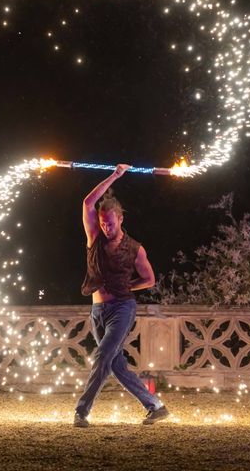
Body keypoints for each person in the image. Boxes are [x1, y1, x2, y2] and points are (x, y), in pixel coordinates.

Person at [73, 164, 169, 427]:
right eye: (103, 223)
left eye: (110, 223)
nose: (106, 228)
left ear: (121, 219)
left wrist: (127, 287)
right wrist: (115, 175)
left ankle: (81, 411)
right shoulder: (94, 237)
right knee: (115, 364)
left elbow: (149, 279)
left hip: (122, 308)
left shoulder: (135, 249)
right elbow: (88, 201)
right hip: (97, 311)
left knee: (103, 356)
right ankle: (155, 406)